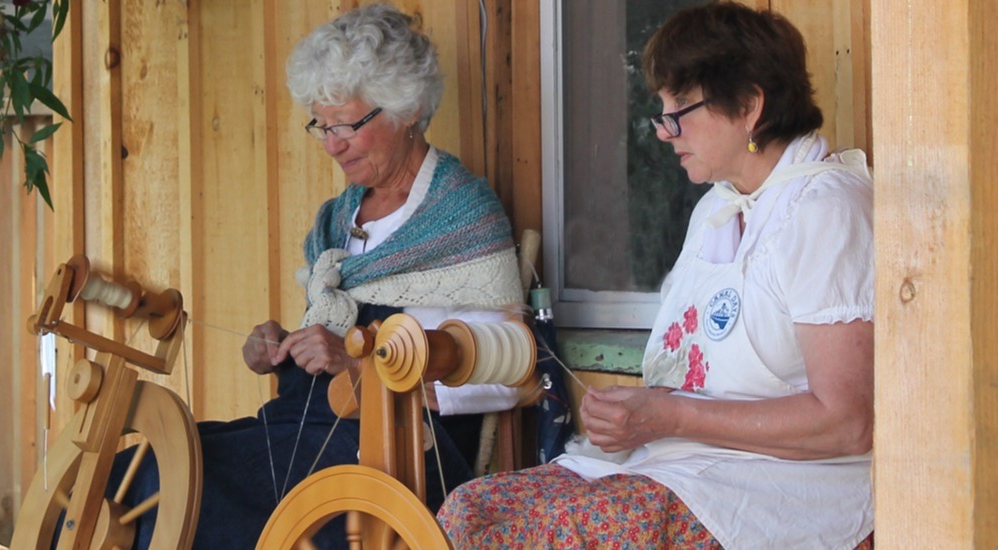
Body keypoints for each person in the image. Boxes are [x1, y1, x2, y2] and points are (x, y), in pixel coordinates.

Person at [437, 3, 874, 548]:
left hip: (788, 485)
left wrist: (669, 415)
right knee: (469, 511)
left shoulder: (825, 209)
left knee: (564, 531)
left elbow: (846, 422)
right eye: (661, 112)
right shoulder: (719, 208)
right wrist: (637, 415)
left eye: (680, 111)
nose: (665, 133)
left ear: (749, 106)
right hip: (690, 465)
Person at [109, 5, 538, 547]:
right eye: (321, 125)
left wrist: (360, 364)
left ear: (406, 109)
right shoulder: (337, 219)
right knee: (151, 464)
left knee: (198, 492)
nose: (332, 144)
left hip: (404, 452)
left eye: (347, 125)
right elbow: (328, 336)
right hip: (302, 426)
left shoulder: (462, 212)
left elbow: (511, 374)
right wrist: (280, 347)